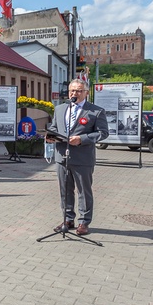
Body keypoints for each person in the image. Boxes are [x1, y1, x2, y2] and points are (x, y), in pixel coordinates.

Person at [46, 79, 109, 235]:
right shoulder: (60, 109)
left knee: (83, 191)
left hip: (83, 157)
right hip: (62, 157)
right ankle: (68, 219)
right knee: (65, 190)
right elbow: (54, 127)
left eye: (78, 91)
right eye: (72, 91)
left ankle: (84, 222)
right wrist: (49, 136)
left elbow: (103, 133)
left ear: (86, 93)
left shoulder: (96, 111)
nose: (74, 94)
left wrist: (82, 139)